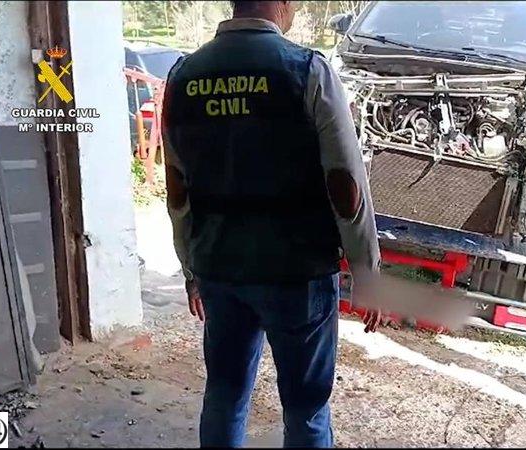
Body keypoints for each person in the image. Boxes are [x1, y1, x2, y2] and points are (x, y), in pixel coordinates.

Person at [160, 1, 382, 447]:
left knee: (224, 396)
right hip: (296, 274)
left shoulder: (182, 77)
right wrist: (367, 271)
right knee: (306, 409)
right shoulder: (307, 71)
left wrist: (191, 271)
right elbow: (346, 186)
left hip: (220, 269)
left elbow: (178, 191)